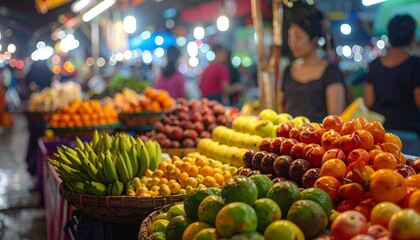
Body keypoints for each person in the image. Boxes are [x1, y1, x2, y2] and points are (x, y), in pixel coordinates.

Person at [279, 8, 346, 122]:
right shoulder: (288, 70)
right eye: (290, 37)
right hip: (290, 138)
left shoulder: (331, 71)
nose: (293, 42)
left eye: (298, 37)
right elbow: (281, 109)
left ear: (314, 40)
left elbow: (335, 117)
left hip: (319, 138)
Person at [364, 14, 420, 136]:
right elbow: (418, 100)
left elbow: (368, 101)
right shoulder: (416, 64)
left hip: (380, 132)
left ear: (389, 36)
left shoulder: (375, 64)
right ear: (412, 36)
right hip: (408, 130)